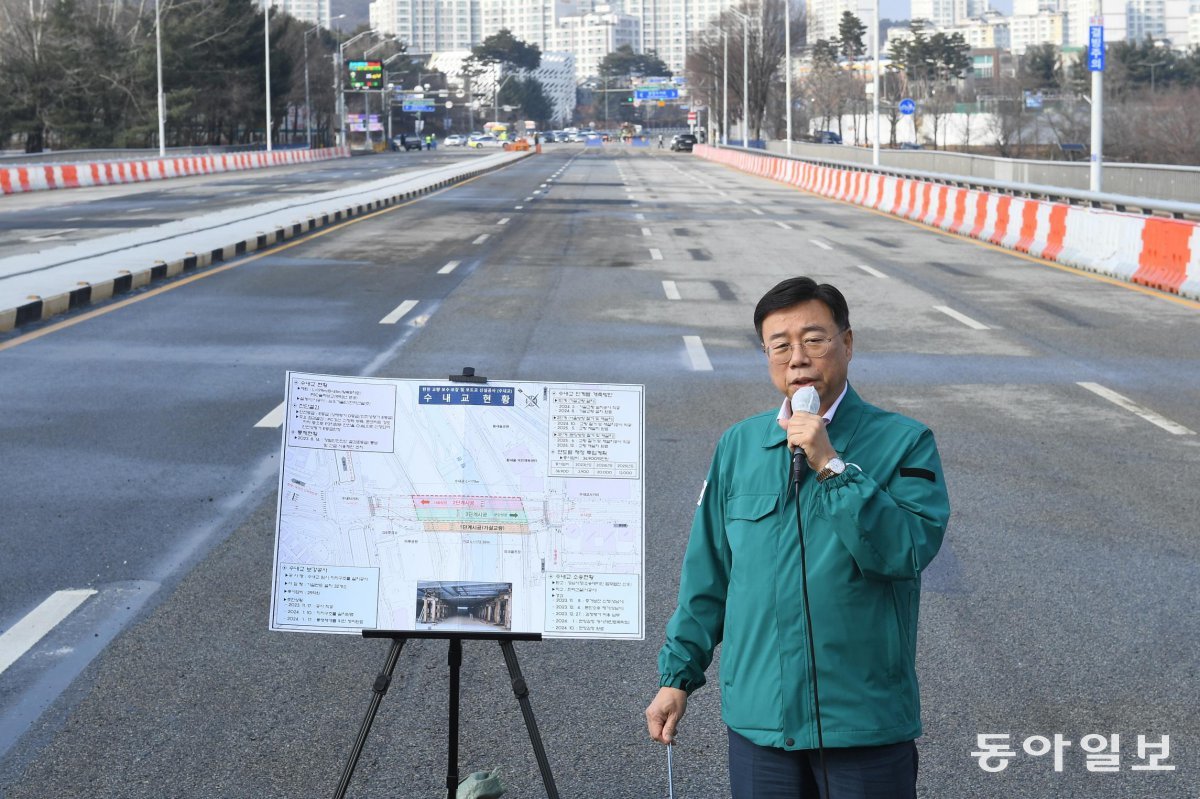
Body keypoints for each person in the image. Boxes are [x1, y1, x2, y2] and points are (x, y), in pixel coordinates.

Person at [645, 277, 950, 799]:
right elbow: (709, 574)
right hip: (761, 722)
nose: (797, 358)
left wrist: (831, 465)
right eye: (779, 345)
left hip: (862, 721)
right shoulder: (739, 446)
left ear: (847, 344)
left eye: (814, 339)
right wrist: (678, 675)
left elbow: (905, 551)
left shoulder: (904, 441)